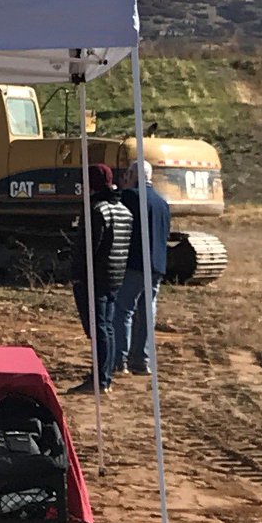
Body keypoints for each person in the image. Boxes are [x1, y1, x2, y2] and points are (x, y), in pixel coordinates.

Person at [74, 164, 134, 393]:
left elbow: (89, 249)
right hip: (115, 277)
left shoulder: (96, 210)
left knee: (98, 328)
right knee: (107, 327)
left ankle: (99, 380)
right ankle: (105, 376)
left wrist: (78, 276)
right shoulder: (123, 210)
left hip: (95, 278)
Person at [114, 161, 171, 376]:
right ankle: (142, 359)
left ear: (132, 175)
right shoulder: (162, 203)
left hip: (134, 263)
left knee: (124, 310)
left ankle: (120, 358)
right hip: (156, 265)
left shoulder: (129, 198)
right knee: (147, 311)